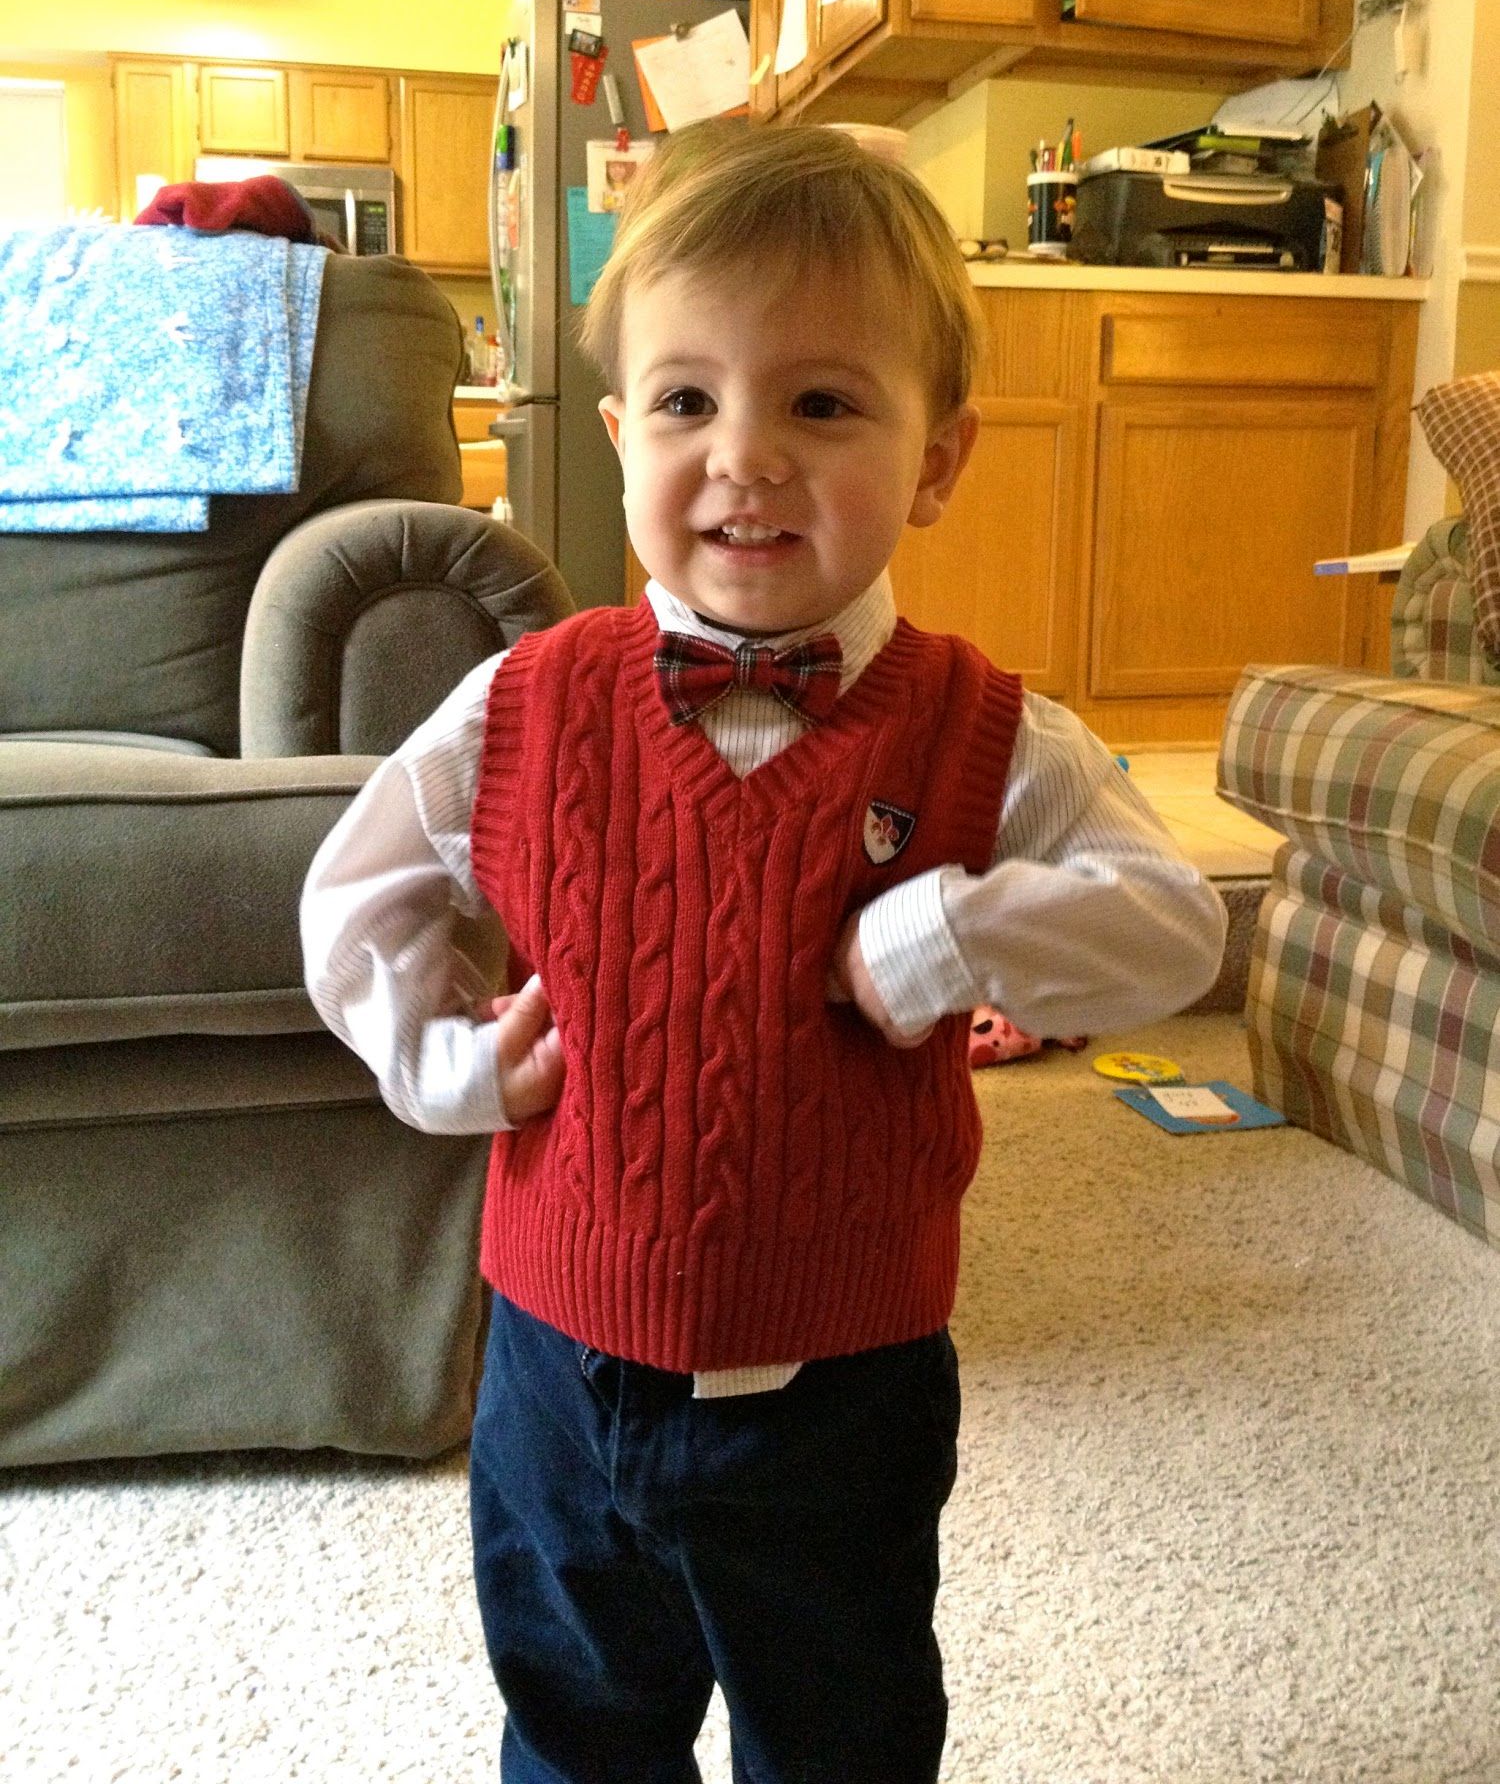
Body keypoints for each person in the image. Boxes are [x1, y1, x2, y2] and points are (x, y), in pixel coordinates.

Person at [300, 119, 1227, 1784]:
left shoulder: (985, 732)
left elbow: (1174, 923)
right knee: (579, 1724)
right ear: (615, 432)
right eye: (685, 401)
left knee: (847, 1730)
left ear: (938, 459)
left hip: (848, 1382)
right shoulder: (520, 703)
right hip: (557, 1367)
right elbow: (355, 898)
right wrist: (442, 1062)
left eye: (820, 401)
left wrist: (958, 930)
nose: (744, 456)